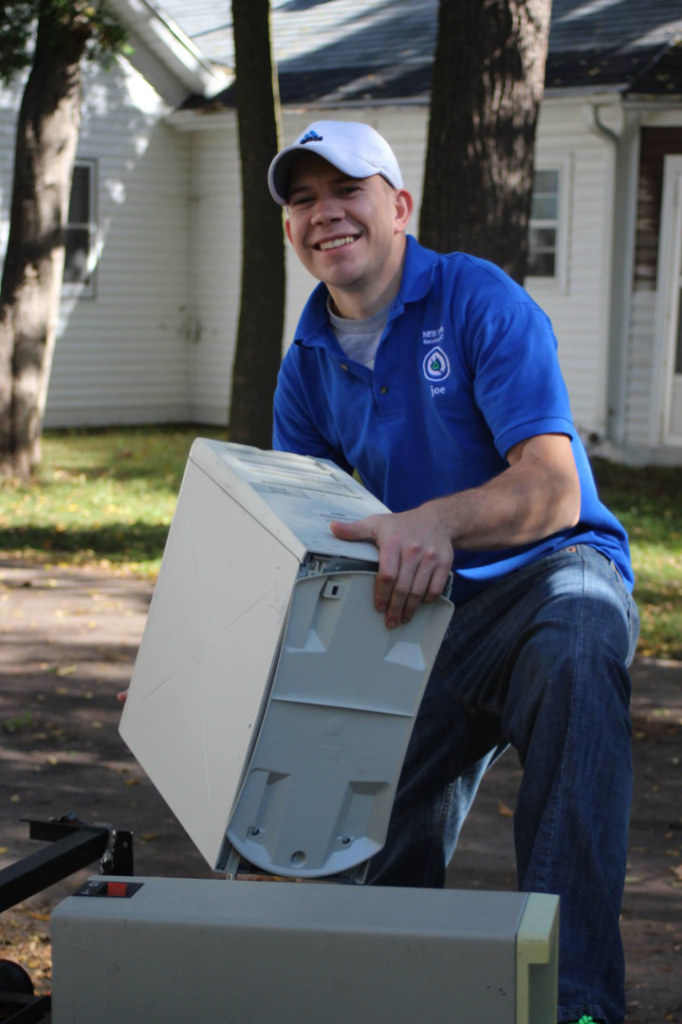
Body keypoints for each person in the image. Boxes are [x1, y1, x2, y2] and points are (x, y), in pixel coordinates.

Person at [267, 120, 639, 1024]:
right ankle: (391, 995)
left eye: (347, 190)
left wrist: (435, 521)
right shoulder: (306, 366)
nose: (326, 214)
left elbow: (552, 489)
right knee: (354, 812)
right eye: (303, 200)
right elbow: (308, 541)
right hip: (415, 614)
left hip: (550, 574)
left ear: (398, 207)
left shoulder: (479, 299)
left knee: (578, 661)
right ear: (291, 232)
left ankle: (575, 1005)